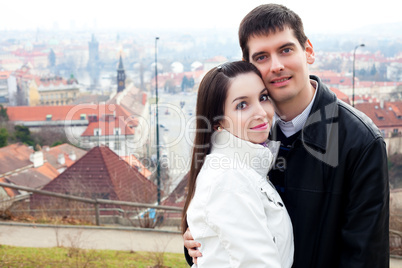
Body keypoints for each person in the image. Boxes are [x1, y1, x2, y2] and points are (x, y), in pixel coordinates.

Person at [184, 4, 389, 268]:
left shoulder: (360, 142)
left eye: (285, 50)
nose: (276, 66)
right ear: (249, 66)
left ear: (309, 51)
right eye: (262, 57)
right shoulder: (244, 136)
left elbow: (365, 258)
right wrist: (202, 242)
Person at [182, 61, 294, 267]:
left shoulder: (248, 168)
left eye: (263, 97)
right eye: (242, 105)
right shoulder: (229, 177)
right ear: (218, 122)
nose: (261, 112)